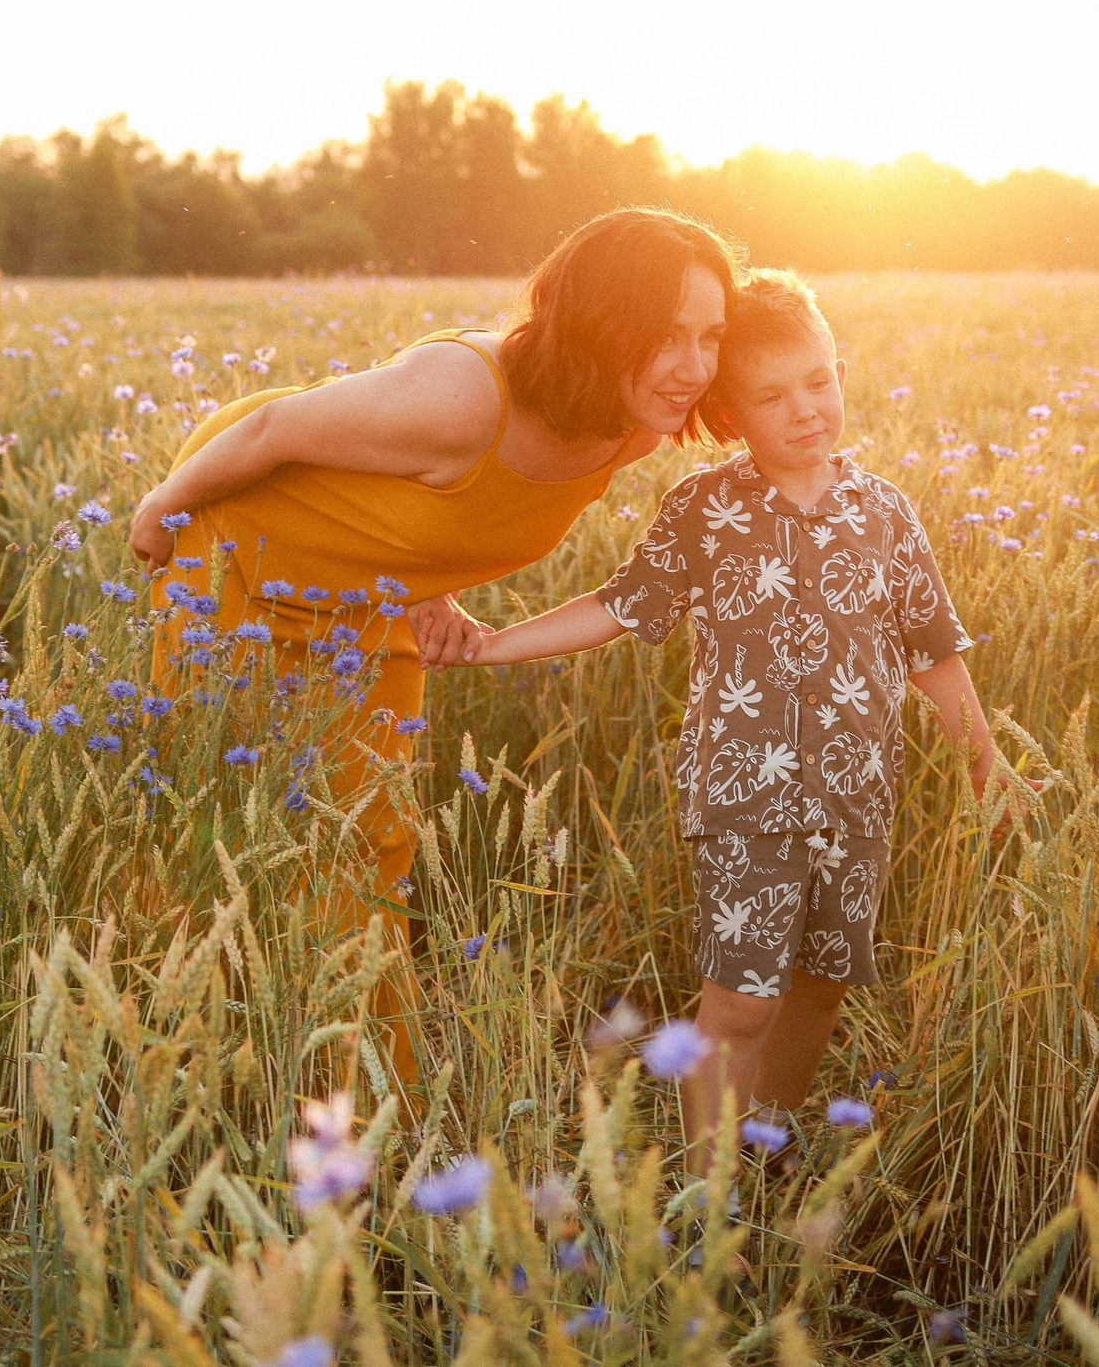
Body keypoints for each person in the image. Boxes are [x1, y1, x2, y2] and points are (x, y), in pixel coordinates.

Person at [128, 207, 744, 1084]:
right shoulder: (461, 395)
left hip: (371, 600)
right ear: (603, 326)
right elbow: (274, 434)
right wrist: (159, 515)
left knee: (374, 841)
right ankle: (193, 1076)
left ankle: (369, 1104)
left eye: (711, 336)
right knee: (221, 826)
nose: (693, 367)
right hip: (239, 555)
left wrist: (435, 586)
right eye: (665, 334)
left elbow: (441, 502)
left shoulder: (635, 425)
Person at [442, 269, 999, 1163]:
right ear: (733, 415)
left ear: (842, 373)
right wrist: (492, 642)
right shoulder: (706, 510)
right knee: (741, 1001)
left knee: (821, 986)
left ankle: (757, 1152)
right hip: (744, 793)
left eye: (818, 381)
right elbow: (622, 604)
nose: (806, 410)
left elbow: (933, 648)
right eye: (772, 397)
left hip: (858, 797)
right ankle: (709, 1209)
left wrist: (984, 758)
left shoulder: (886, 512)